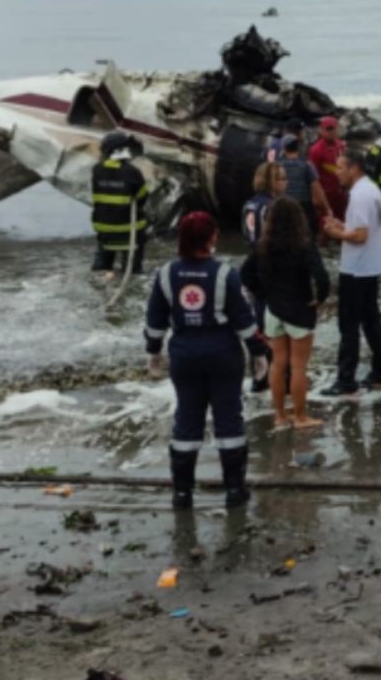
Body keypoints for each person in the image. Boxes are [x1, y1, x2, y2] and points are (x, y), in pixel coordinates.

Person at [144, 212, 258, 509]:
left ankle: (182, 493)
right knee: (229, 417)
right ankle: (234, 490)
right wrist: (258, 352)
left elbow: (155, 321)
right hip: (223, 354)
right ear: (210, 238)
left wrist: (153, 351)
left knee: (187, 419)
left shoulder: (166, 273)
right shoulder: (225, 274)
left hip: (184, 355)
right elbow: (244, 320)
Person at [243, 197, 331, 432]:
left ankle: (280, 415)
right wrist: (319, 299)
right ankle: (301, 417)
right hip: (300, 310)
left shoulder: (263, 244)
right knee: (299, 367)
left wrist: (264, 294)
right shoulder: (304, 243)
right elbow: (322, 277)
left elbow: (245, 273)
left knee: (278, 365)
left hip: (273, 310)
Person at [319, 149, 381, 396]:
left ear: (354, 168)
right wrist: (343, 226)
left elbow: (360, 236)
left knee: (348, 324)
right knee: (371, 321)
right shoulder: (373, 190)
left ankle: (346, 379)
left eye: (340, 168)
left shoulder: (359, 195)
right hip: (371, 265)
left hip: (356, 268)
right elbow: (366, 228)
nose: (337, 173)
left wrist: (335, 233)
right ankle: (380, 372)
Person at [90, 132, 149, 277]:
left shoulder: (97, 170)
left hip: (104, 229)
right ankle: (133, 271)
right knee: (132, 271)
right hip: (129, 229)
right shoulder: (132, 171)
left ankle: (103, 270)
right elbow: (142, 197)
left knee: (102, 269)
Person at [277, 135, 329, 231]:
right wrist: (327, 208)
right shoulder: (307, 165)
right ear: (298, 147)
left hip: (282, 206)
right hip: (303, 208)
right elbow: (317, 188)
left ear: (284, 149)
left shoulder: (277, 166)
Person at [309, 116, 348, 221]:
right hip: (326, 197)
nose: (331, 132)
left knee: (343, 224)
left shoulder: (341, 146)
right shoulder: (316, 150)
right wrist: (317, 198)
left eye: (333, 129)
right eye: (328, 129)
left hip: (341, 195)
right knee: (326, 226)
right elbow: (313, 178)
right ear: (322, 131)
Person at [240, 162, 285, 251]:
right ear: (272, 181)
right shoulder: (274, 206)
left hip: (253, 253)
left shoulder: (248, 204)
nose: (287, 182)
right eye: (283, 179)